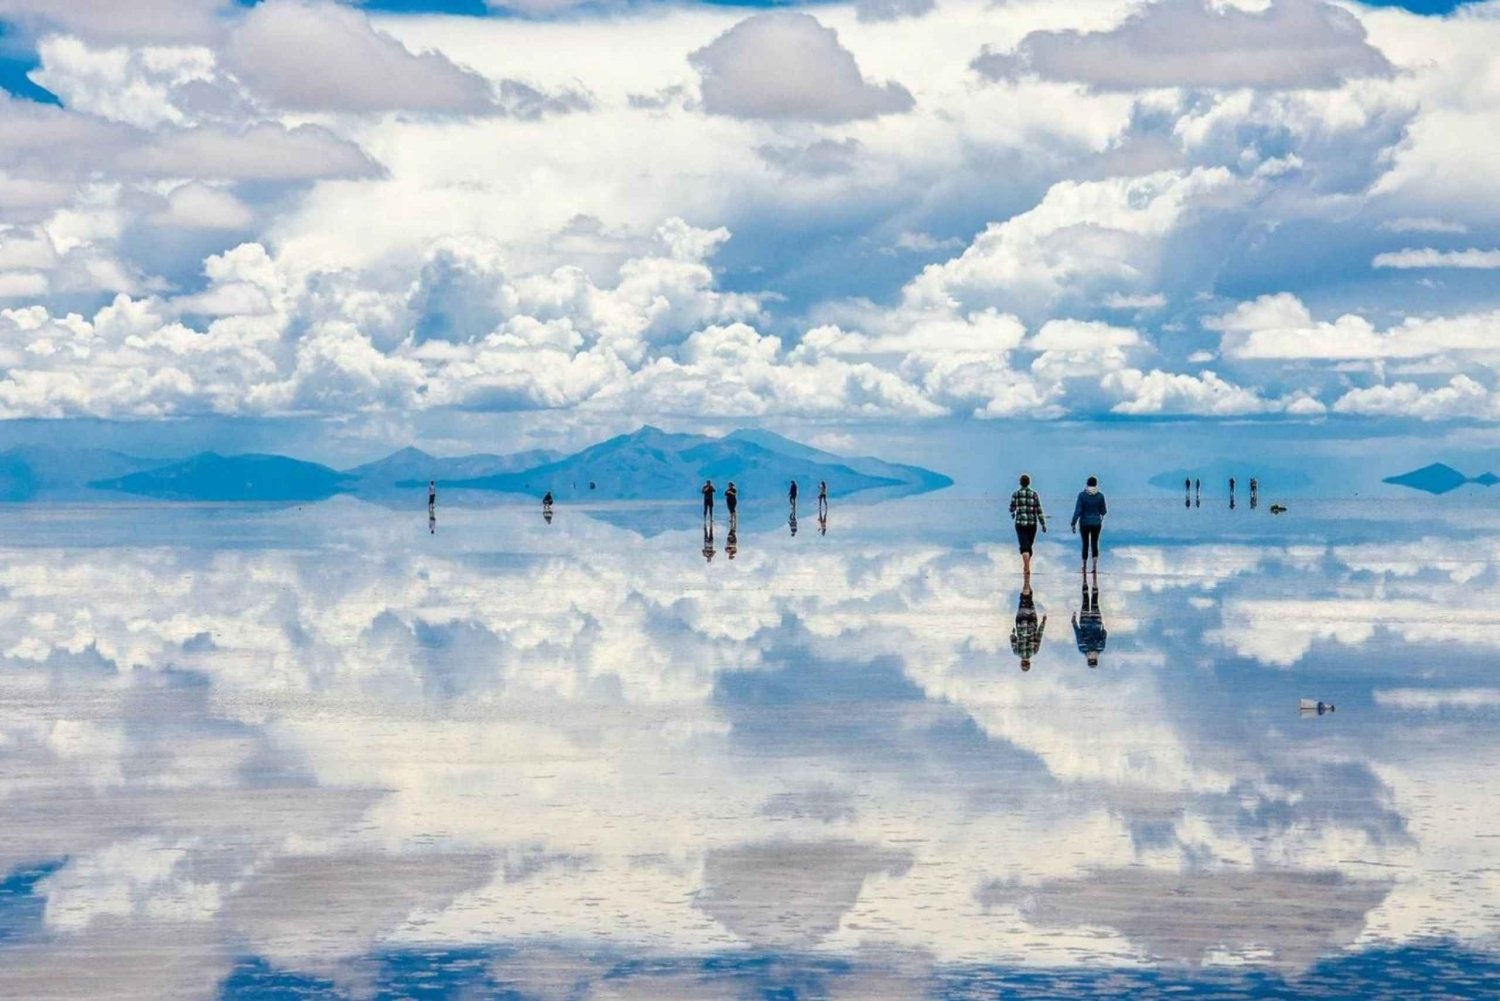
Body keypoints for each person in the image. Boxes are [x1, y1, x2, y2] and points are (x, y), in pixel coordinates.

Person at [1008, 473, 1047, 573]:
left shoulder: (1015, 494)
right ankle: (1027, 566)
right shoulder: (1034, 494)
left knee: (1024, 546)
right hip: (1032, 524)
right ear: (1029, 483)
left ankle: (1026, 567)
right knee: (1029, 546)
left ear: (1020, 483)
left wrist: (1013, 511)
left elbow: (1011, 508)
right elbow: (1039, 510)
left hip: (1020, 523)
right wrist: (1043, 523)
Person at [1070, 475, 1108, 573]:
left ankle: (1084, 566)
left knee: (1085, 544)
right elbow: (1104, 511)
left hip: (1084, 523)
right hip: (1096, 523)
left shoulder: (1082, 495)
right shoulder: (1100, 496)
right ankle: (1094, 567)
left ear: (1087, 484)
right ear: (1096, 484)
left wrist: (1073, 523)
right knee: (1095, 543)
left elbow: (1078, 511)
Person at [1011, 581, 1046, 672]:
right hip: (1020, 622)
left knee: (1029, 600)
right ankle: (1026, 581)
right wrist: (1013, 633)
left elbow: (1039, 635)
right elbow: (1012, 638)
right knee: (1024, 600)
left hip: (1032, 623)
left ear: (1029, 663)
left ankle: (1027, 580)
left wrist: (1043, 622)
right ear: (1021, 663)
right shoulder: (1016, 652)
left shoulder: (1034, 651)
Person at [1073, 579, 1106, 668]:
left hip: (1096, 622)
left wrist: (1103, 630)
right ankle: (1085, 580)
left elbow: (1104, 634)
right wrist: (1074, 623)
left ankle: (1094, 581)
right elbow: (1078, 634)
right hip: (1084, 622)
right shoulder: (1082, 648)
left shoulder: (1101, 648)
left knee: (1095, 601)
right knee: (1086, 600)